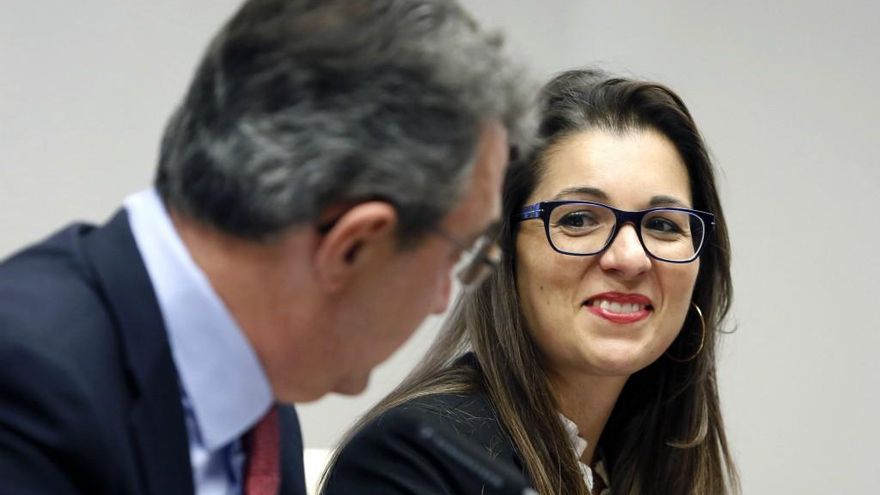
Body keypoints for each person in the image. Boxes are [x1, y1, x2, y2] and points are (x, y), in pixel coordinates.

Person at [0, 0, 533, 493]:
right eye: (456, 254)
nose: (442, 300)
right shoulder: (26, 376)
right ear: (353, 246)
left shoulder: (260, 402)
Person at [321, 69, 739, 495]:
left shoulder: (652, 463)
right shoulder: (415, 459)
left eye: (663, 225)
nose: (630, 258)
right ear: (503, 249)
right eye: (579, 219)